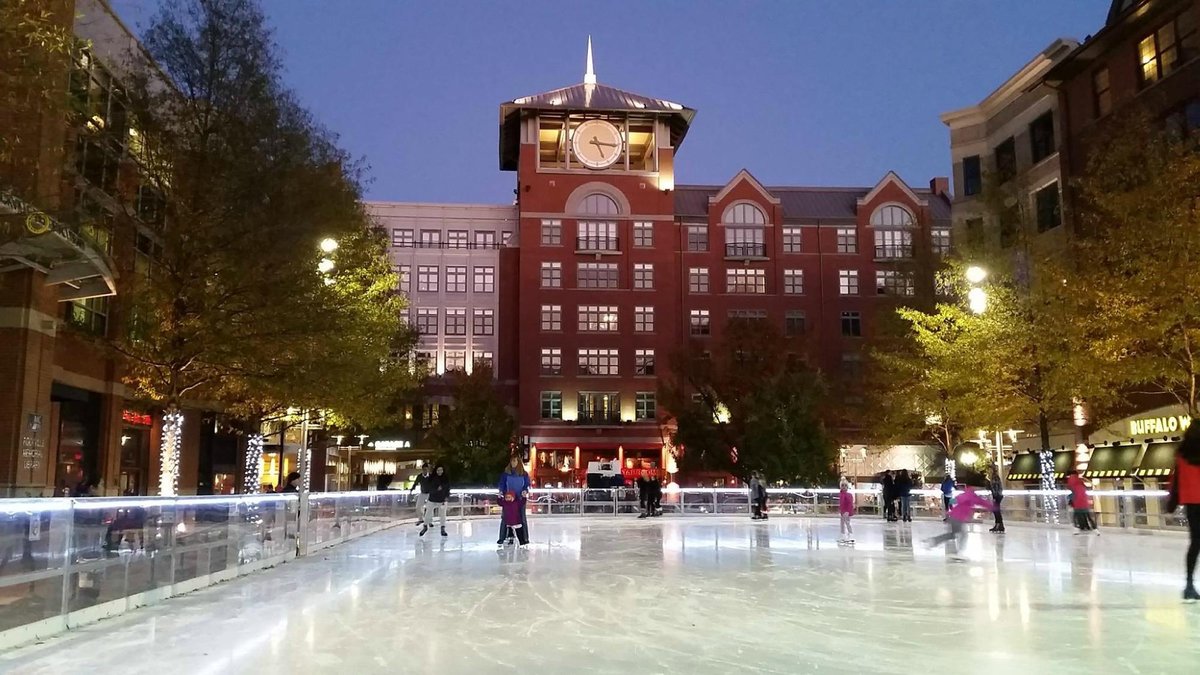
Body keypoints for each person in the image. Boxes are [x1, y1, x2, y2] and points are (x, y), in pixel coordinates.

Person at [1168, 422, 1200, 602]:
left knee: (1195, 543)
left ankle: (1189, 584)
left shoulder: (1181, 454)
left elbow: (1175, 481)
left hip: (1192, 504)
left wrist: (1171, 504)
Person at [925, 486, 997, 560]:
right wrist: (994, 508)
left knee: (953, 534)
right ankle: (960, 552)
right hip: (958, 518)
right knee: (963, 535)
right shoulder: (972, 497)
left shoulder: (963, 495)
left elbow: (952, 501)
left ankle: (934, 541)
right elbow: (982, 503)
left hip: (953, 516)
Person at [496, 456, 531, 546]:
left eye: (514, 461)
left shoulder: (524, 474)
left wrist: (525, 491)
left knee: (522, 518)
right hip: (508, 499)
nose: (513, 463)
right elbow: (502, 484)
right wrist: (501, 493)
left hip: (519, 499)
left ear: (518, 462)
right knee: (505, 518)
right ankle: (503, 537)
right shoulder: (506, 474)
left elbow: (527, 485)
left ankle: (524, 538)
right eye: (511, 461)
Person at [420, 464, 451, 537]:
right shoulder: (432, 478)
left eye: (441, 470)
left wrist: (446, 497)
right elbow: (429, 488)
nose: (440, 472)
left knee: (442, 515)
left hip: (442, 500)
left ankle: (442, 528)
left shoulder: (445, 479)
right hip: (432, 499)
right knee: (428, 513)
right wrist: (437, 490)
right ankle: (425, 526)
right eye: (438, 470)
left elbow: (448, 489)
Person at [988, 467, 1006, 533]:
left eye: (989, 470)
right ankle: (998, 525)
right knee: (996, 511)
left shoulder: (994, 477)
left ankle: (999, 525)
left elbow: (996, 487)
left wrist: (995, 497)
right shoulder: (994, 477)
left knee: (996, 511)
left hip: (997, 496)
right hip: (997, 495)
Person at [838, 479, 855, 544]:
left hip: (847, 511)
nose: (844, 487)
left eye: (845, 485)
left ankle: (851, 535)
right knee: (842, 524)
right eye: (842, 485)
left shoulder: (849, 495)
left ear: (847, 487)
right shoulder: (841, 494)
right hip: (842, 511)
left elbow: (850, 504)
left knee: (847, 523)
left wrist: (847, 511)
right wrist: (840, 511)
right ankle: (842, 536)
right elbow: (841, 503)